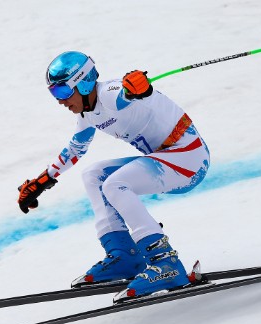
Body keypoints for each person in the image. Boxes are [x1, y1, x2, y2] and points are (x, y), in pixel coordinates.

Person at [17, 51, 210, 302]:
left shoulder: (111, 93)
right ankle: (125, 255)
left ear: (83, 82)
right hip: (167, 160)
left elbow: (132, 95)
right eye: (54, 94)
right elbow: (77, 148)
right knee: (94, 175)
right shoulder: (87, 112)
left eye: (63, 92)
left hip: (188, 160)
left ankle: (165, 262)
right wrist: (43, 181)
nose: (60, 101)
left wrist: (141, 89)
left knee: (116, 184)